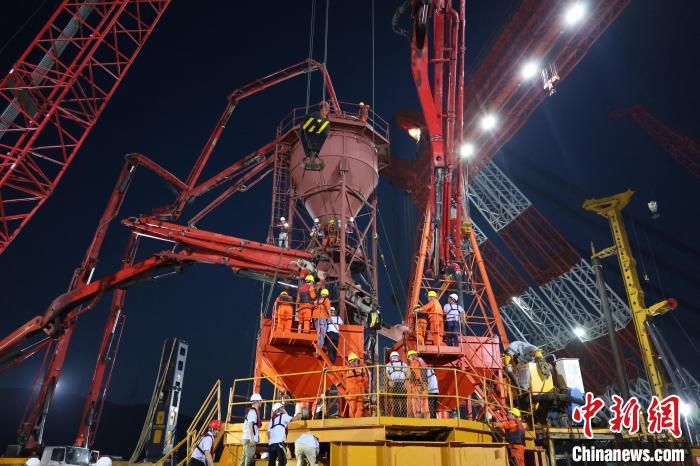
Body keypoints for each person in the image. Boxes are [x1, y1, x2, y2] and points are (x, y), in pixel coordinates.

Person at [240, 394, 263, 466]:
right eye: (260, 401)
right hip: (249, 439)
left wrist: (256, 437)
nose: (261, 402)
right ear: (257, 401)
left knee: (244, 459)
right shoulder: (253, 412)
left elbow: (253, 427)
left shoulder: (252, 412)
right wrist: (252, 439)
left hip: (247, 438)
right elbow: (250, 425)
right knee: (249, 458)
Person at [406, 350, 429, 418]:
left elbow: (417, 372)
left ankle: (417, 417)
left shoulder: (414, 362)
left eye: (409, 357)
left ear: (411, 356)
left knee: (416, 401)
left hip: (417, 384)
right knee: (424, 402)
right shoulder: (421, 361)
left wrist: (420, 381)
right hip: (424, 384)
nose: (408, 359)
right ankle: (426, 417)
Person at [343, 353, 367, 418]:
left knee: (360, 408)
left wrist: (365, 389)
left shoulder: (362, 368)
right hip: (352, 392)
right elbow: (337, 369)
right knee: (352, 408)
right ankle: (352, 422)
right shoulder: (346, 369)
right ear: (352, 361)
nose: (357, 362)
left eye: (357, 361)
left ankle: (357, 422)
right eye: (356, 361)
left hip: (360, 392)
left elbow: (365, 380)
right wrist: (329, 368)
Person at [385, 351, 408, 417]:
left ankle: (397, 415)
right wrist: (405, 380)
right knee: (402, 399)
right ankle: (402, 415)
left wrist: (390, 380)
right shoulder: (403, 364)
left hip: (396, 383)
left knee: (396, 399)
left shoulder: (388, 365)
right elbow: (408, 372)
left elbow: (387, 373)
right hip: (401, 383)